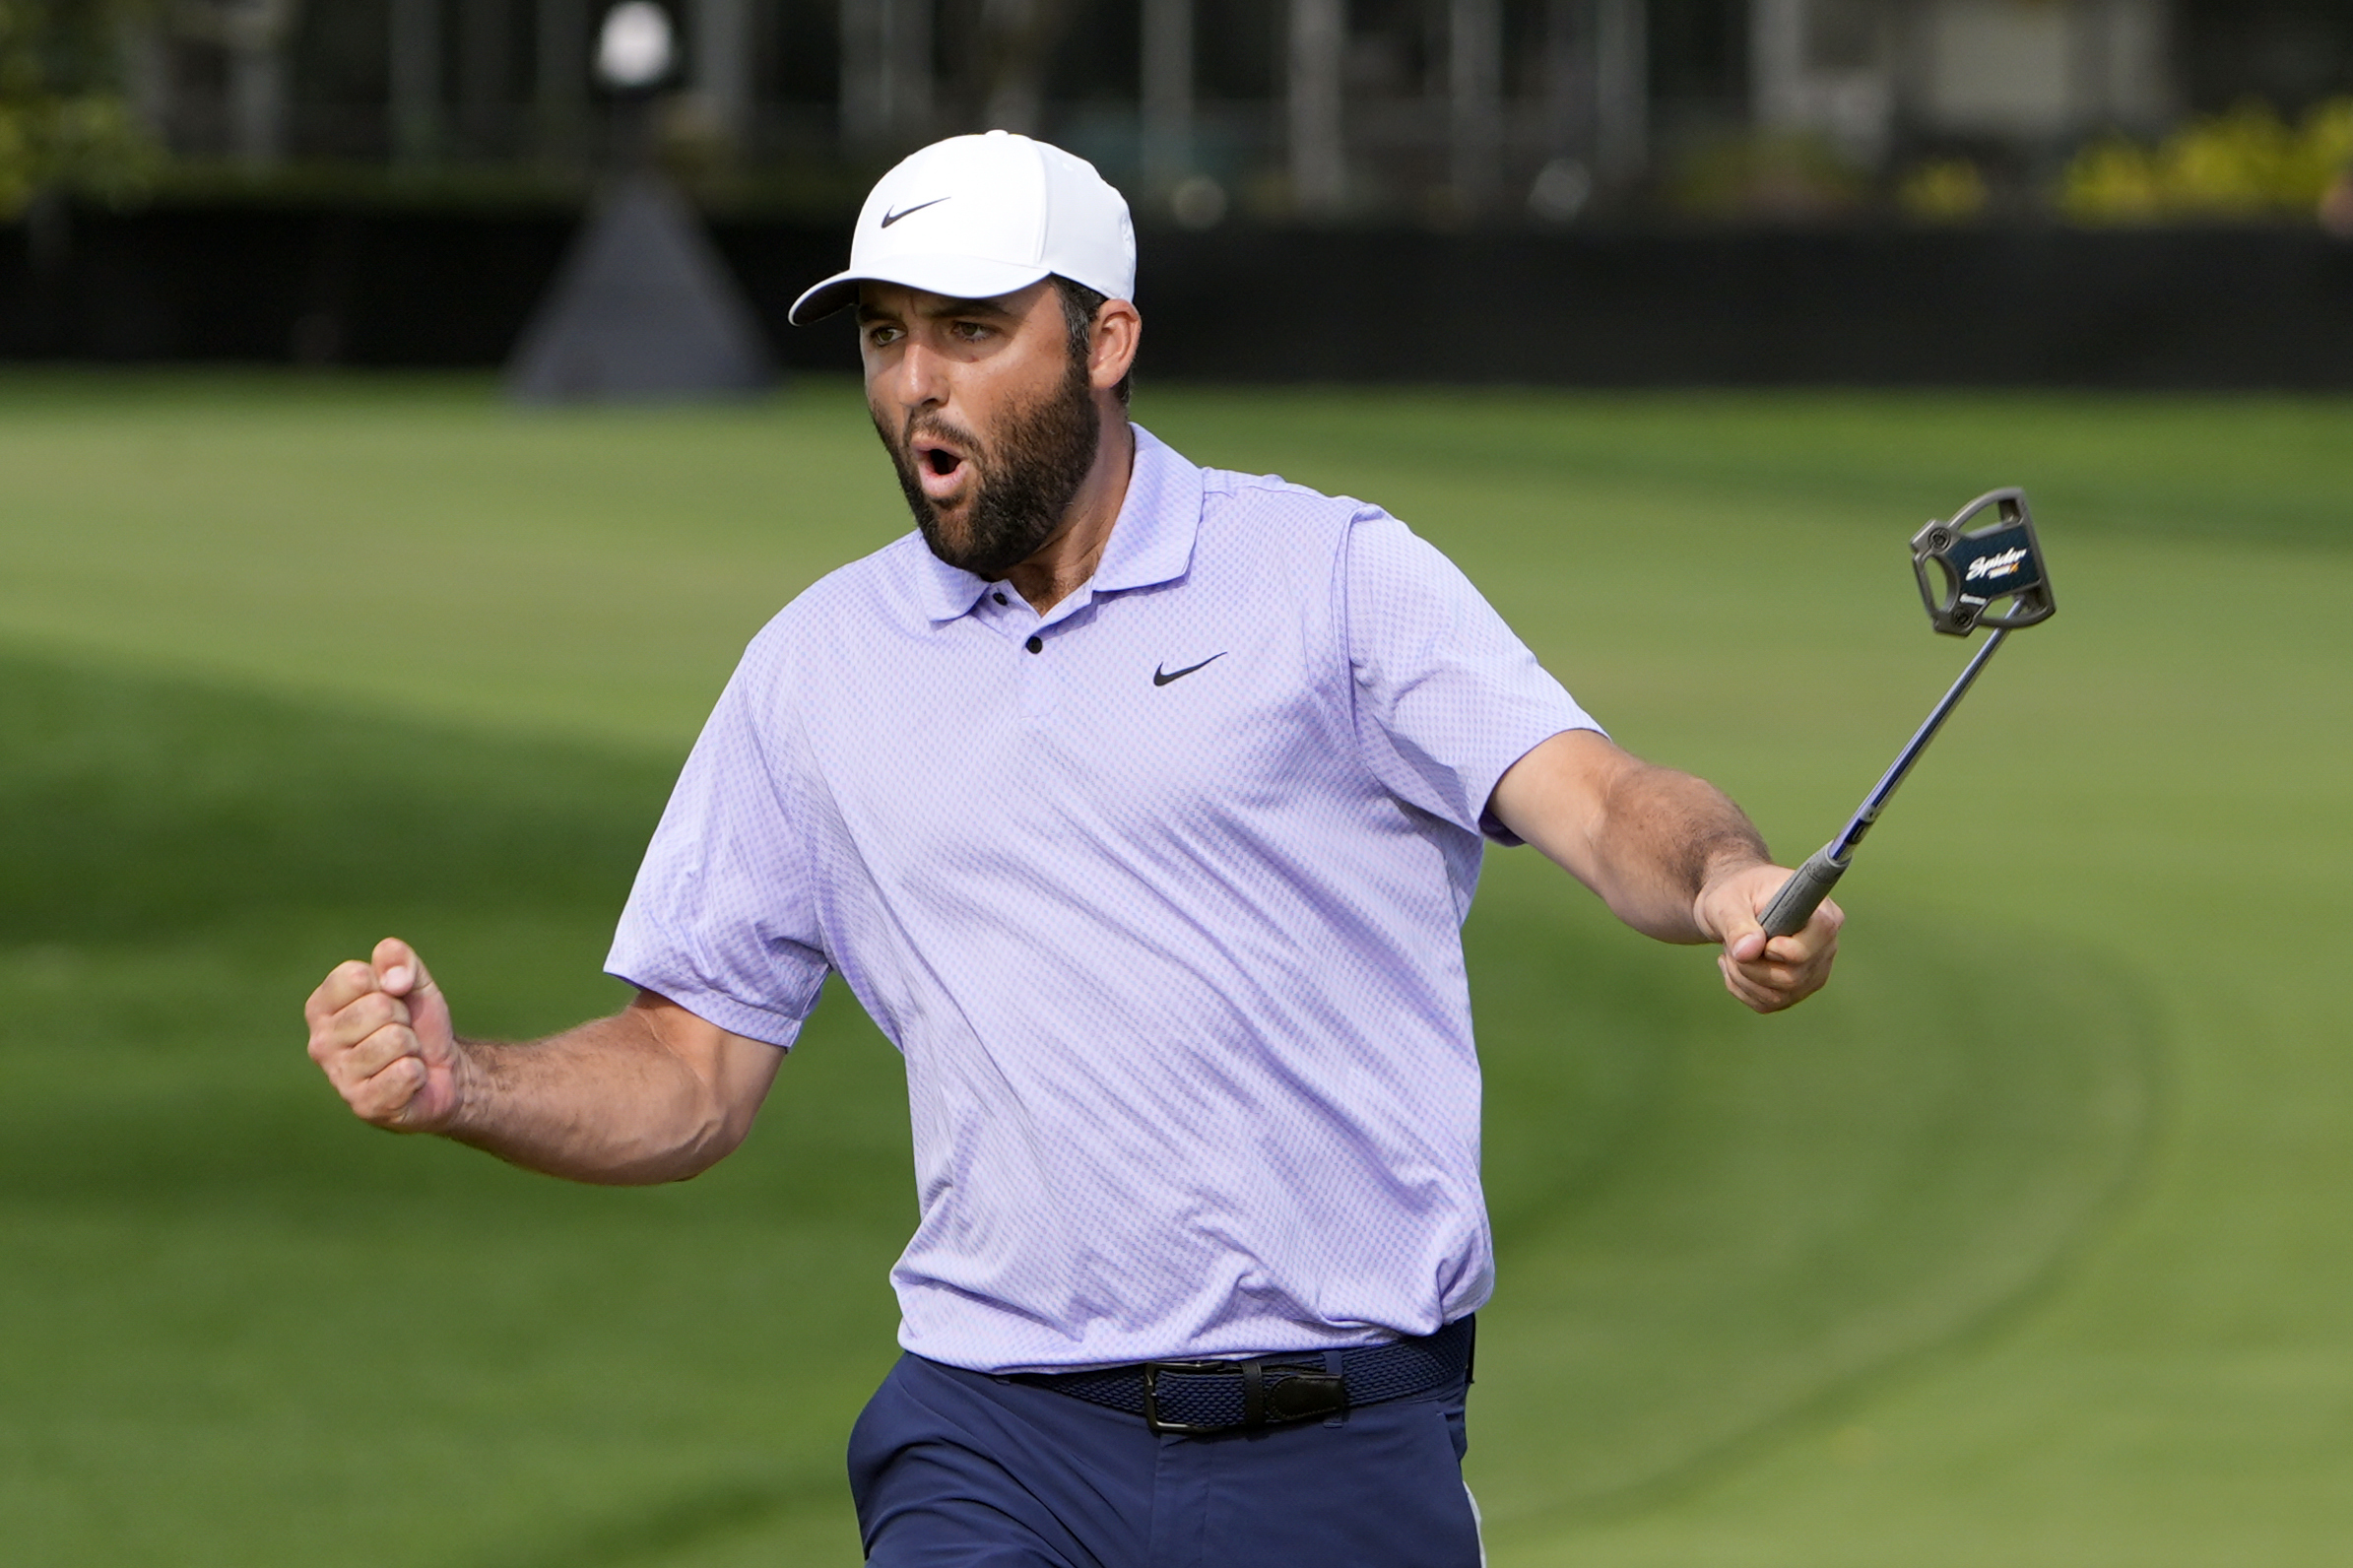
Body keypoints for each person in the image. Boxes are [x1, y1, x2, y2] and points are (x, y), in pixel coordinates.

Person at [303, 131, 1840, 1567]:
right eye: (884, 336)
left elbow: (1595, 796)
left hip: (1335, 1443)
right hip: (990, 1434)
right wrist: (465, 1085)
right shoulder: (814, 667)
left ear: (1103, 342)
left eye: (970, 331)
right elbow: (688, 1075)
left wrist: (1718, 877)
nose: (917, 383)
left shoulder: (1327, 578)